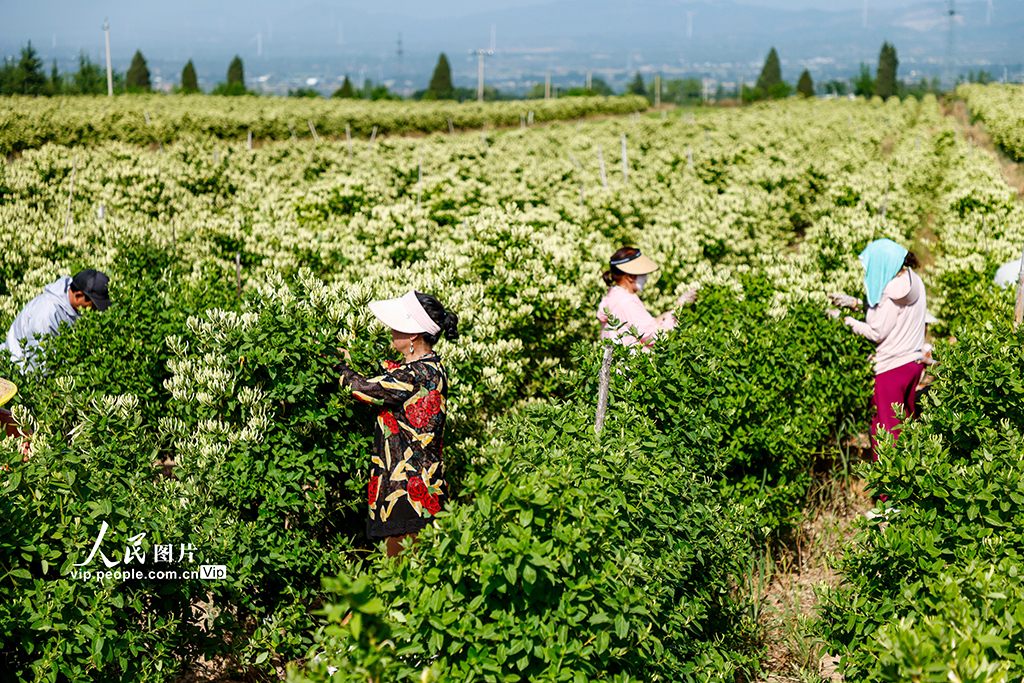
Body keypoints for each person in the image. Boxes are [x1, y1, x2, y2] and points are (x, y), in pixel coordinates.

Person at [335, 290, 458, 558]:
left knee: (402, 581)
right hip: (426, 488)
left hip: (407, 493)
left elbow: (361, 388)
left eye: (397, 325)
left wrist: (339, 364)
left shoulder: (413, 376)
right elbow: (392, 374)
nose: (390, 330)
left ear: (413, 334)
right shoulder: (433, 369)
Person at [831, 239, 926, 457]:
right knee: (905, 427)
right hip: (912, 364)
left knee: (885, 434)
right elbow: (893, 312)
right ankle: (910, 483)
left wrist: (845, 319)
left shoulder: (889, 290)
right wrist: (855, 302)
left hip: (890, 369)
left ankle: (888, 490)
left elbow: (877, 331)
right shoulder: (914, 281)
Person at [1, 269, 111, 373]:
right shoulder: (46, 315)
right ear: (78, 296)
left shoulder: (73, 304)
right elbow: (39, 366)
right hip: (19, 373)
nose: (96, 310)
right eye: (94, 305)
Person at [596, 246, 695, 348]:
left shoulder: (613, 296)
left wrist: (668, 314)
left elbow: (645, 325)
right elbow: (653, 336)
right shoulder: (626, 302)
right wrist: (678, 310)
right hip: (632, 363)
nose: (645, 278)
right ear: (631, 277)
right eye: (642, 274)